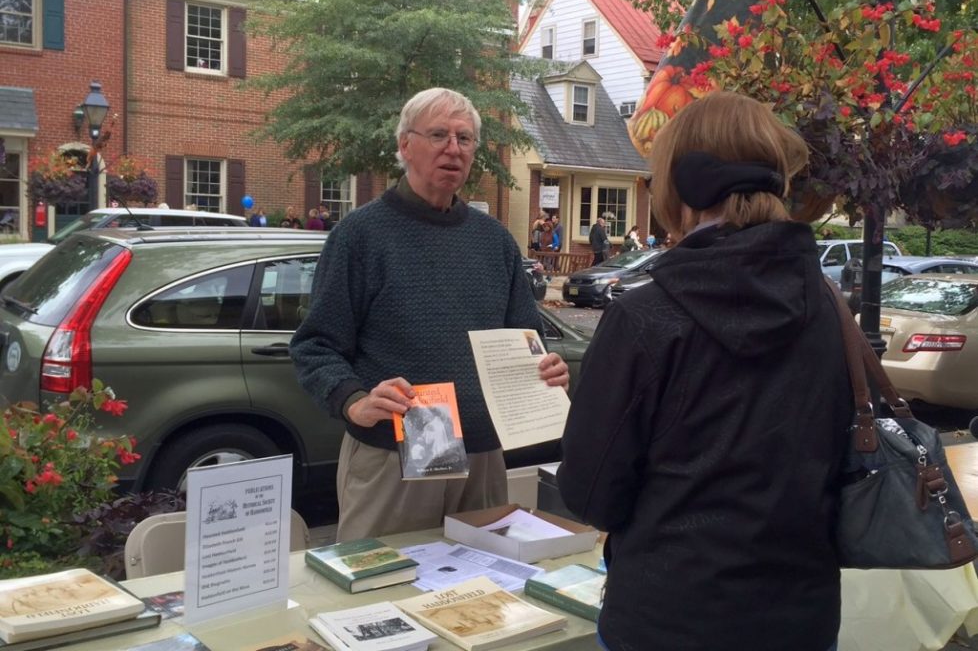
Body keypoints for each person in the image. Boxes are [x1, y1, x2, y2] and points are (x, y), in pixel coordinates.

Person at [557, 91, 851, 651]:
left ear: (683, 183)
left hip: (667, 620)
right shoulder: (831, 309)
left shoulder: (644, 317)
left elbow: (590, 494)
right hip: (800, 620)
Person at [290, 87, 569, 542]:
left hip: (482, 456)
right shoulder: (360, 236)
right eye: (438, 135)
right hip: (397, 452)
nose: (453, 149)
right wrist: (353, 401)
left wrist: (546, 368)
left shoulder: (494, 241)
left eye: (465, 139)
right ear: (405, 145)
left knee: (481, 595)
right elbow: (315, 345)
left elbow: (524, 339)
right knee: (382, 592)